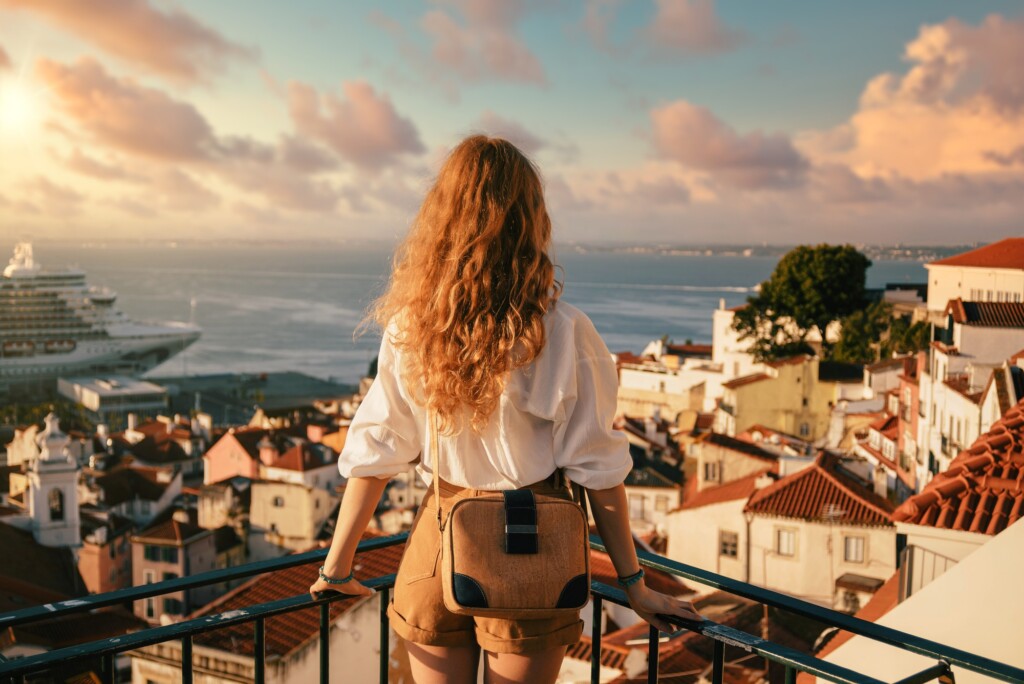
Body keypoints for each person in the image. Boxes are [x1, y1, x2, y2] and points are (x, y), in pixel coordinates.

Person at [310, 135, 701, 683]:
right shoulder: (565, 333)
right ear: (531, 220)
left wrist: (337, 566)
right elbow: (599, 471)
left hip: (440, 534)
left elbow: (378, 449)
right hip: (531, 546)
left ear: (442, 220)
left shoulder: (414, 329)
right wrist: (635, 585)